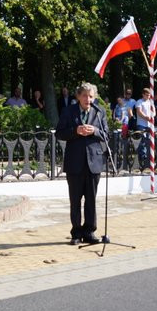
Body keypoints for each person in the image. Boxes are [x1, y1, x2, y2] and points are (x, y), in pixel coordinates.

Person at [55, 83, 108, 245]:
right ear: (78, 96)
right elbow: (59, 133)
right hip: (75, 162)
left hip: (94, 162)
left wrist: (95, 131)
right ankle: (76, 232)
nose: (88, 99)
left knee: (91, 199)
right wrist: (75, 131)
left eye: (91, 96)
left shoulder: (99, 112)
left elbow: (106, 135)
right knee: (75, 199)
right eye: (85, 96)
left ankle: (89, 231)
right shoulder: (68, 111)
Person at [134, 88, 154, 169]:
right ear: (143, 94)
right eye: (147, 95)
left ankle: (148, 159)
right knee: (142, 142)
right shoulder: (139, 102)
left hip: (149, 125)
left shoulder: (151, 102)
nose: (148, 97)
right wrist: (145, 117)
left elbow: (154, 111)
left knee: (148, 141)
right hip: (141, 124)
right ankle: (142, 159)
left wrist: (152, 116)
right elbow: (139, 111)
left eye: (149, 95)